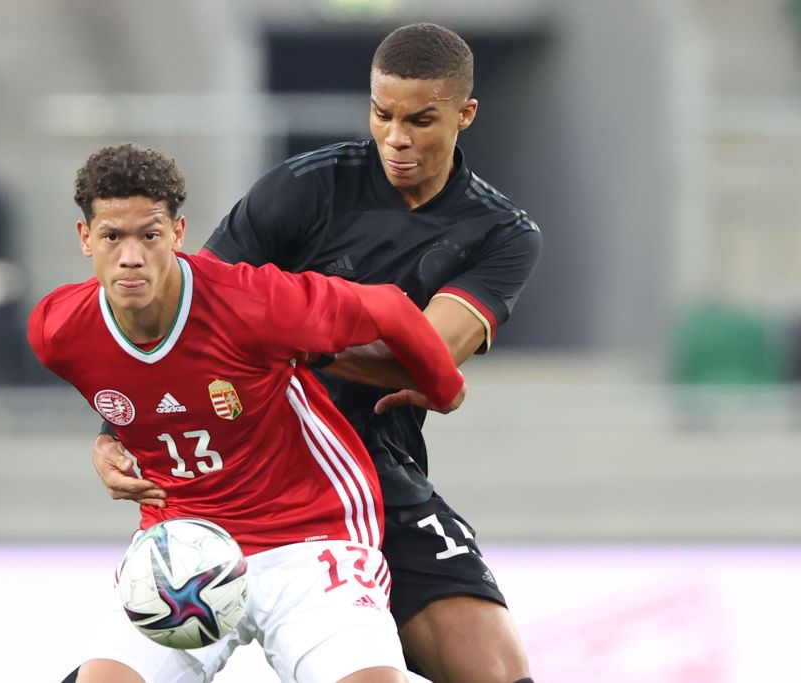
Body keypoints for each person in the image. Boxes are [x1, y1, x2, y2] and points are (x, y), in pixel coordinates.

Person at [85, 23, 541, 683]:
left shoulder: (501, 233)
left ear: (465, 114)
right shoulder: (304, 188)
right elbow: (184, 312)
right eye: (382, 114)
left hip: (371, 469)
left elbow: (426, 358)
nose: (396, 137)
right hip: (238, 467)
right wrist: (113, 431)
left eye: (420, 120)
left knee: (497, 670)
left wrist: (277, 336)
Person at [32, 143, 467, 683]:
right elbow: (143, 394)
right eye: (112, 237)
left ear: (178, 233)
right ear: (85, 238)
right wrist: (108, 441)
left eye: (149, 235)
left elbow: (387, 306)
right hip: (182, 546)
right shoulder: (57, 331)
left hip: (308, 536)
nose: (131, 257)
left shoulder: (251, 301)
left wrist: (444, 388)